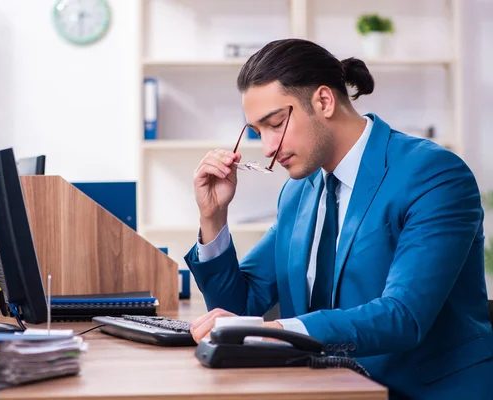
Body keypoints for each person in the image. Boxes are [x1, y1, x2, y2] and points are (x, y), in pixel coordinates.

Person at [184, 38, 493, 400]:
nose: (267, 147)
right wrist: (214, 216)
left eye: (275, 124)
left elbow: (404, 316)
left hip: (422, 392)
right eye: (257, 132)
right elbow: (240, 309)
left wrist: (280, 330)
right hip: (325, 389)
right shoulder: (299, 192)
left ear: (324, 101)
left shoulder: (432, 174)